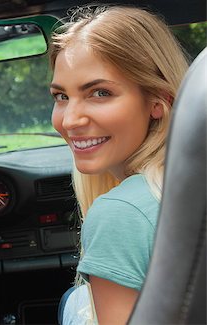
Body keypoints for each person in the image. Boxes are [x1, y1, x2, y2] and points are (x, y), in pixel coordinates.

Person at [48, 5, 188, 324]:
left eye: (99, 92)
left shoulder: (120, 212)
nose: (70, 120)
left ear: (157, 101)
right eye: (61, 96)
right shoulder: (188, 180)